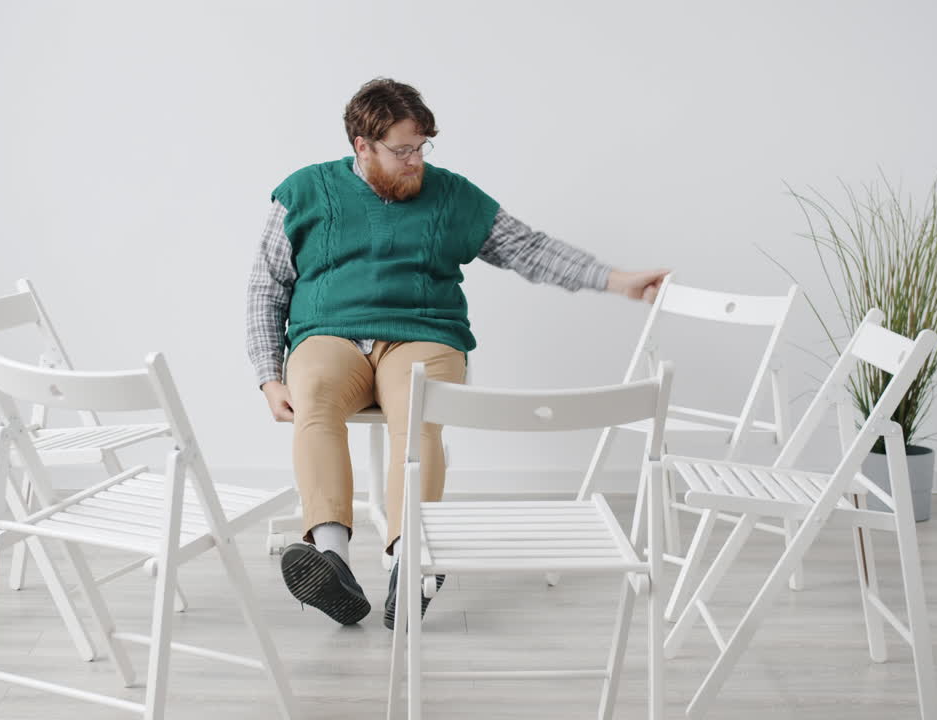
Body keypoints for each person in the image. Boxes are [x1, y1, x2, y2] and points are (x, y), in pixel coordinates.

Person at [245, 77, 668, 628]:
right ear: (361, 146)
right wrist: (267, 375)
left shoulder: (451, 195)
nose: (415, 161)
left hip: (422, 332)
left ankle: (409, 562)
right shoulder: (303, 192)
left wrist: (616, 280)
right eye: (402, 150)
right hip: (329, 336)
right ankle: (333, 563)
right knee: (316, 396)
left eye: (422, 146)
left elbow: (529, 250)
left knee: (418, 411)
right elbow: (266, 285)